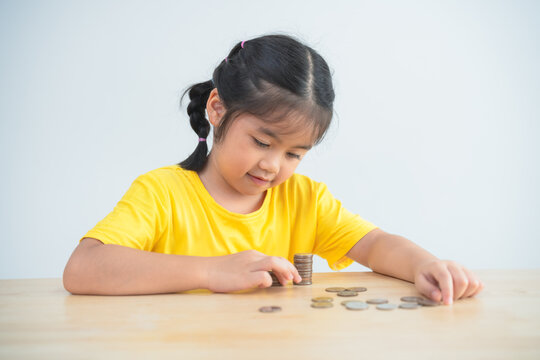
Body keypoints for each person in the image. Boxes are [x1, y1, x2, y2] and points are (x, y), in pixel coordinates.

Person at [63, 33, 484, 304]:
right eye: (262, 142)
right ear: (217, 108)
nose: (273, 165)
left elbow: (375, 245)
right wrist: (212, 271)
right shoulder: (162, 193)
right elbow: (82, 268)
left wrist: (425, 265)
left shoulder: (304, 199)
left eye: (294, 153)